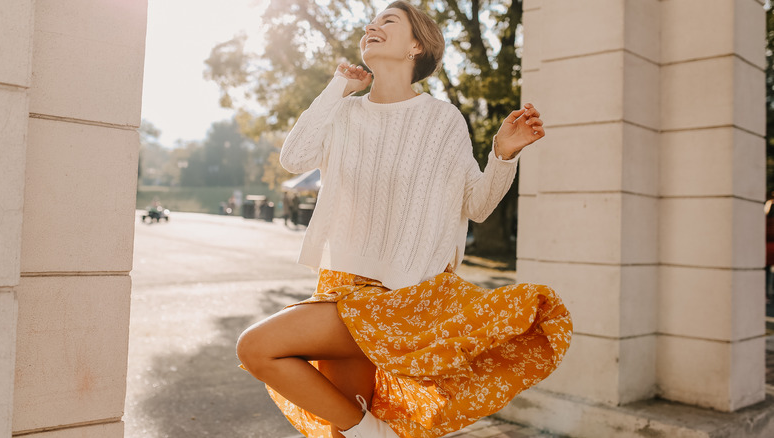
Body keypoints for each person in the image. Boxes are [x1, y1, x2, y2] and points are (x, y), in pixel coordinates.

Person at [236, 2, 572, 437]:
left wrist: (503, 154)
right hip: (343, 285)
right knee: (347, 427)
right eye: (371, 22)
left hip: (403, 298)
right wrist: (338, 86)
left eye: (387, 21)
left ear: (417, 45)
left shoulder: (441, 119)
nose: (372, 26)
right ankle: (375, 432)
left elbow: (478, 204)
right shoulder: (343, 113)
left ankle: (376, 432)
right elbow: (294, 157)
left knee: (256, 347)